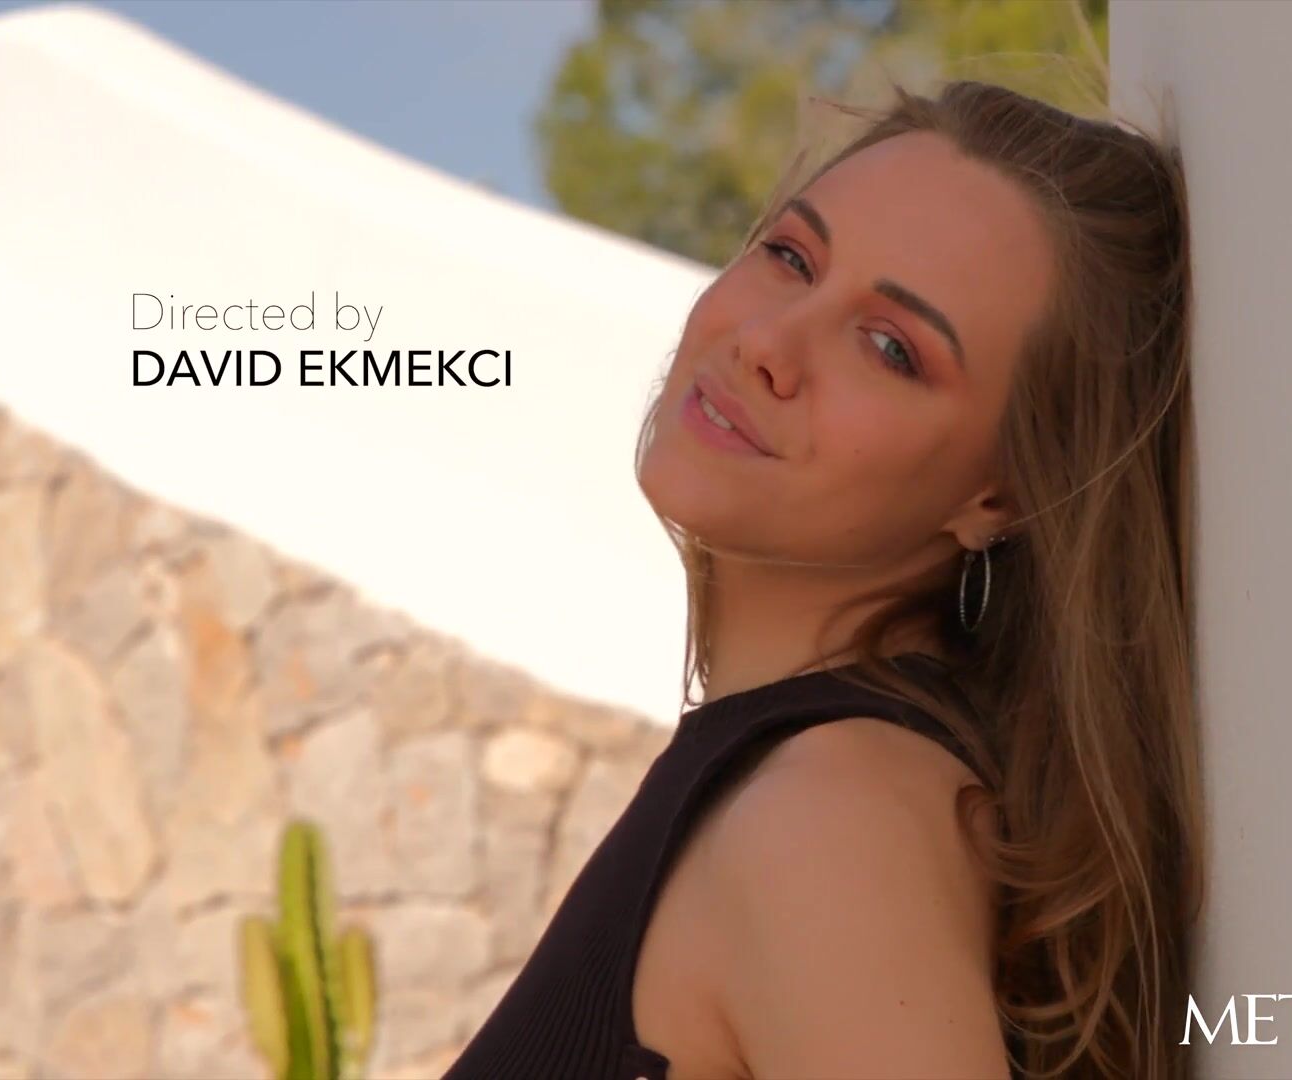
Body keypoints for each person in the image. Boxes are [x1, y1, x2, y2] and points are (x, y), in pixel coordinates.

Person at [444, 74, 1202, 1080]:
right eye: (792, 256)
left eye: (891, 348)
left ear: (1003, 496)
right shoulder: (801, 787)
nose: (767, 343)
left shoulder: (827, 824)